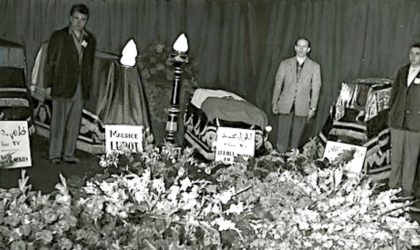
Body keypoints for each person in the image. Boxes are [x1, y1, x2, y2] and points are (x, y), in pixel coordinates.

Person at [45, 4, 96, 164]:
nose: (79, 23)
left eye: (83, 19)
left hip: (80, 87)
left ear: (86, 21)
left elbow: (89, 64)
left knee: (74, 123)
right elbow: (50, 62)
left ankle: (68, 154)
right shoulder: (59, 36)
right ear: (70, 18)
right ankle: (55, 154)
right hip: (61, 84)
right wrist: (48, 84)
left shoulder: (90, 39)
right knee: (58, 122)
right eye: (76, 18)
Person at [271, 37, 322, 153]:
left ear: (308, 49)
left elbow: (316, 88)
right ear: (295, 48)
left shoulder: (314, 66)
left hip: (303, 105)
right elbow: (278, 84)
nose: (301, 49)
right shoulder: (284, 64)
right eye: (299, 46)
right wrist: (275, 102)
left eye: (304, 47)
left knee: (297, 136)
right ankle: (279, 157)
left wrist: (313, 107)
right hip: (285, 104)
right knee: (282, 134)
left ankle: (293, 158)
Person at [387, 43, 420, 199]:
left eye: (417, 54)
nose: (413, 57)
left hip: (416, 124)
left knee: (411, 158)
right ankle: (393, 186)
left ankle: (406, 189)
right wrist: (391, 114)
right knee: (396, 156)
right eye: (411, 53)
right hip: (398, 121)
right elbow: (394, 95)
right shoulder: (402, 71)